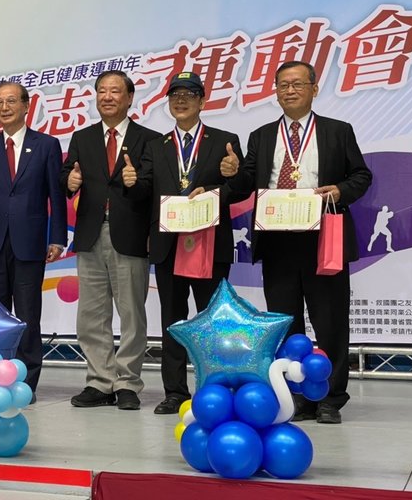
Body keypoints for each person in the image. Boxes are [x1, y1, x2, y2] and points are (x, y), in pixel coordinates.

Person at [229, 60, 372, 424]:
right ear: (275, 91)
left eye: (297, 84)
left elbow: (361, 175)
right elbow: (246, 183)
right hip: (277, 239)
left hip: (323, 238)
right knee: (285, 322)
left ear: (314, 89)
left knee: (330, 321)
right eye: (282, 85)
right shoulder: (261, 136)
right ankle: (296, 396)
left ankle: (330, 398)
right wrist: (230, 173)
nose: (289, 91)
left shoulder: (337, 131)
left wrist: (340, 190)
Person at [123, 71, 247, 414]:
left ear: (202, 102)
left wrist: (232, 175)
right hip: (169, 245)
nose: (181, 100)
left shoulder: (225, 141)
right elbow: (144, 190)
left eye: (189, 95)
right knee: (173, 322)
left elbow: (240, 189)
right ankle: (175, 392)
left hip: (210, 244)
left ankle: (215, 390)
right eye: (175, 95)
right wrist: (132, 182)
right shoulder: (156, 146)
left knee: (213, 321)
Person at [60, 70, 161, 411]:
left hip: (130, 234)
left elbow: (153, 188)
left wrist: (137, 181)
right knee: (91, 314)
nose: (107, 97)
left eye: (115, 91)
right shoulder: (83, 137)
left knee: (131, 313)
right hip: (90, 234)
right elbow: (66, 176)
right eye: (101, 91)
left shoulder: (149, 139)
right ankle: (100, 381)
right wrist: (69, 182)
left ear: (129, 97)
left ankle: (128, 383)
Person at [0, 81, 67, 397]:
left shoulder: (46, 145)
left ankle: (26, 381)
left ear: (26, 106)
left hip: (30, 242)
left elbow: (56, 195)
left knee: (28, 315)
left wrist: (57, 238)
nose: (4, 107)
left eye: (11, 101)